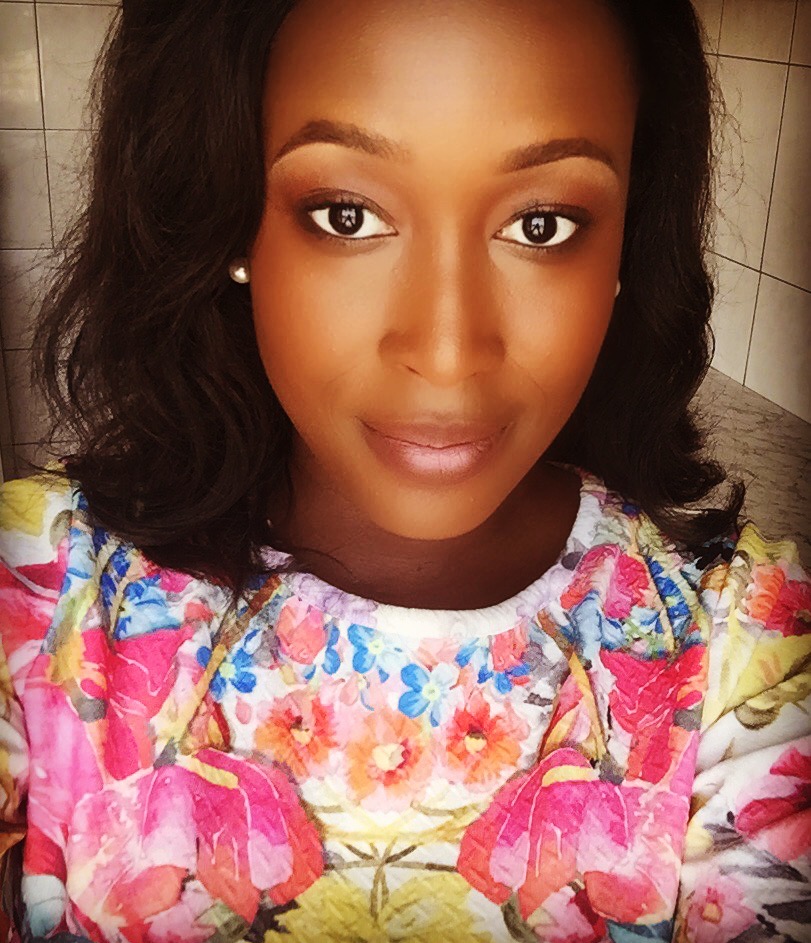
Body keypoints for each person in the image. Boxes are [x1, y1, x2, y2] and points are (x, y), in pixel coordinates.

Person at [0, 0, 809, 940]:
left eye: (541, 224)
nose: (447, 349)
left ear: (626, 242)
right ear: (227, 222)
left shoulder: (741, 656)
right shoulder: (37, 592)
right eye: (346, 215)